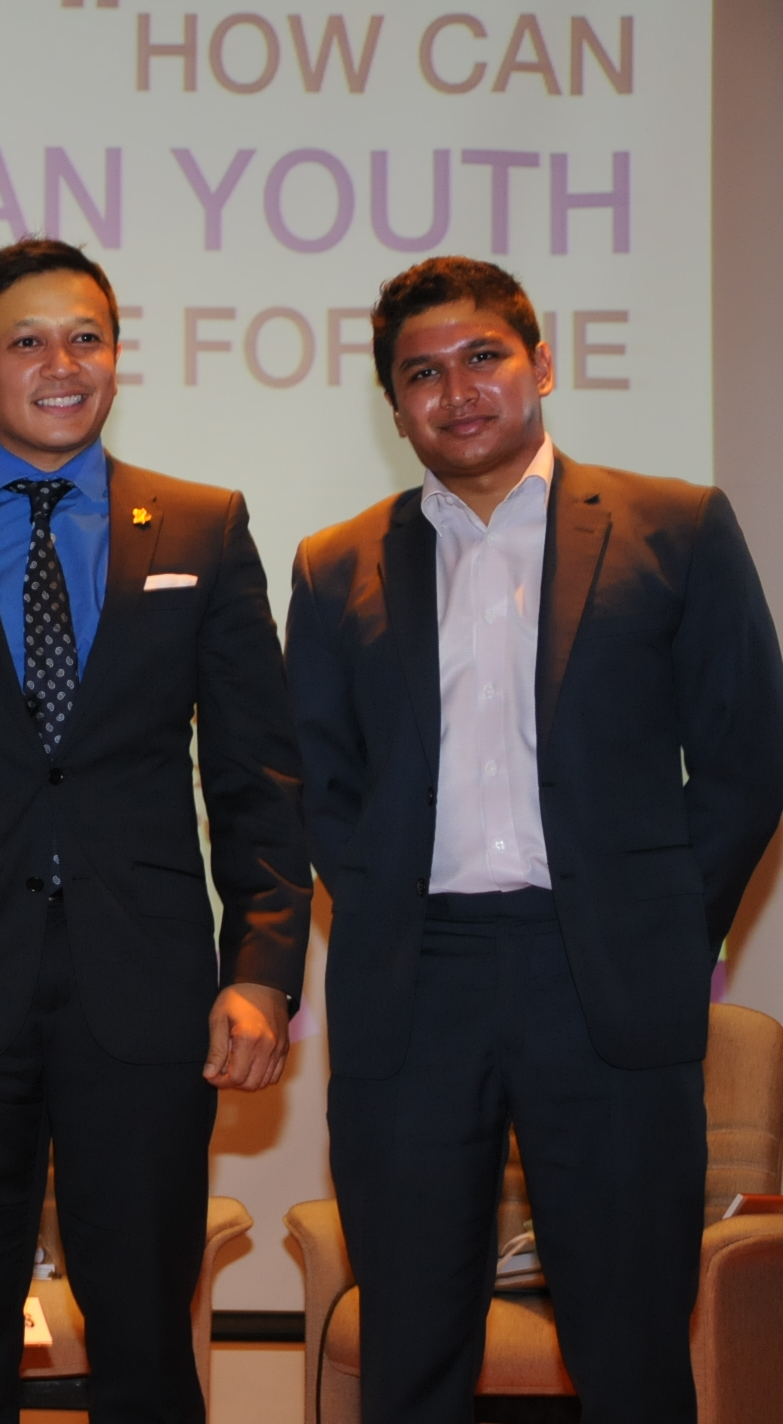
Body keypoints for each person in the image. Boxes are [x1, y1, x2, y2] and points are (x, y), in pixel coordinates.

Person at [286, 256, 783, 1424]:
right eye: (420, 373)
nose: (454, 391)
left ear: (540, 363)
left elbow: (745, 755)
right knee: (408, 1345)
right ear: (392, 404)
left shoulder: (674, 524)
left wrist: (666, 924)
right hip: (413, 982)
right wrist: (379, 904)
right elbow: (314, 776)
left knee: (627, 1344)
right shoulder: (331, 561)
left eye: (482, 357)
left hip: (603, 976)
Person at [0, 239, 311, 1424]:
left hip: (144, 989)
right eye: (27, 341)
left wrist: (261, 968)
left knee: (144, 1339)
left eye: (85, 337)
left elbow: (256, 776)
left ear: (114, 356)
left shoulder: (200, 526)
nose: (61, 363)